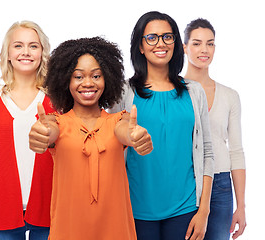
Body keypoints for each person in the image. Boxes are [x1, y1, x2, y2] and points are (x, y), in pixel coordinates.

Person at [29, 36, 153, 239]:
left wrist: (135, 136)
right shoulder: (57, 122)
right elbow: (48, 130)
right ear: (65, 80)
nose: (88, 83)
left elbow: (126, 131)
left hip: (114, 229)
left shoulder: (118, 120)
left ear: (108, 79)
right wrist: (40, 133)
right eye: (78, 77)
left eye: (96, 76)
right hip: (69, 229)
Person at [110, 11, 214, 240]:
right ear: (140, 45)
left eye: (168, 37)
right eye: (152, 37)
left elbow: (207, 151)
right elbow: (112, 148)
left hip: (185, 209)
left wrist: (204, 211)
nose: (161, 43)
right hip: (136, 208)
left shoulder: (194, 91)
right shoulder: (123, 93)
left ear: (176, 43)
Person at [0, 20, 54, 240]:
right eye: (18, 45)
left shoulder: (57, 100)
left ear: (43, 52)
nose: (26, 52)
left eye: (33, 46)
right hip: (1, 215)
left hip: (50, 214)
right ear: (6, 53)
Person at [184, 18, 246, 240]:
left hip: (220, 185)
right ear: (184, 47)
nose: (204, 50)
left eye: (210, 43)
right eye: (197, 43)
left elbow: (236, 152)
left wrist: (241, 206)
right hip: (184, 182)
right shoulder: (175, 92)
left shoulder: (230, 96)